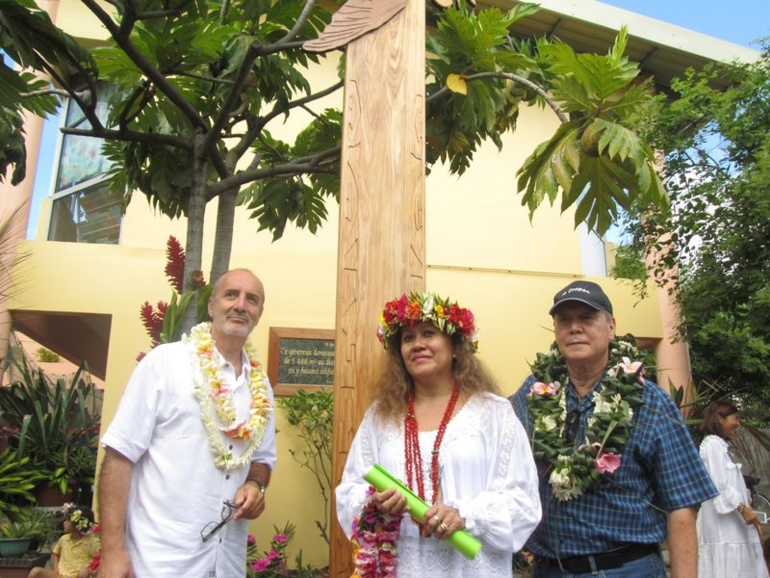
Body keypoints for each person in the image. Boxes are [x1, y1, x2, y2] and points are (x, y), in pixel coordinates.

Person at [510, 280, 717, 578]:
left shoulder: (650, 401)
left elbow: (682, 504)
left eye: (587, 318)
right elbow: (493, 440)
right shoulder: (534, 392)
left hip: (627, 569)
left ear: (611, 326)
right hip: (550, 570)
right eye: (564, 320)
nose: (575, 328)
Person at [336, 291, 541, 578]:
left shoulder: (493, 413)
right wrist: (374, 502)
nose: (417, 344)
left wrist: (467, 515)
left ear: (456, 346)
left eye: (429, 333)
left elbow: (522, 500)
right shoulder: (380, 416)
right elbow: (350, 490)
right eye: (408, 338)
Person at [98, 268, 277, 578]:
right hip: (160, 560)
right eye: (231, 294)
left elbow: (261, 459)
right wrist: (113, 552)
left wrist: (254, 483)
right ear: (211, 306)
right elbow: (119, 456)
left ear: (259, 313)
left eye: (252, 299)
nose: (240, 305)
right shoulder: (165, 363)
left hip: (226, 563)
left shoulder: (260, 386)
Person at [697, 400, 769, 578]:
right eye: (735, 418)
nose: (738, 423)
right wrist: (743, 509)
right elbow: (719, 483)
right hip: (723, 529)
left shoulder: (721, 446)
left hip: (733, 526)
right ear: (720, 419)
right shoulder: (712, 444)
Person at [28, 504, 100, 578]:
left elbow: (101, 560)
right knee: (35, 572)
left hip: (77, 576)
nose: (64, 522)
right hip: (61, 576)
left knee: (82, 573)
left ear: (77, 524)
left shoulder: (91, 541)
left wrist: (90, 570)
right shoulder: (64, 539)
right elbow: (56, 553)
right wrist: (56, 570)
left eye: (68, 520)